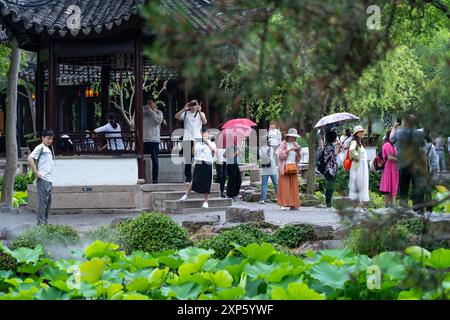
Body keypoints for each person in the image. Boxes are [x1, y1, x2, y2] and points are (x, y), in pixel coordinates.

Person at [390, 115, 426, 210]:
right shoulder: (419, 133)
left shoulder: (399, 132)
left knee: (403, 186)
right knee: (417, 186)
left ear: (405, 122)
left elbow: (391, 139)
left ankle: (403, 208)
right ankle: (418, 209)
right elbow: (422, 150)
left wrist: (394, 127)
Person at [179, 129, 216, 208]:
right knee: (194, 180)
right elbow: (194, 153)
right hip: (199, 162)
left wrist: (207, 143)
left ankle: (206, 202)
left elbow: (213, 151)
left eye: (205, 134)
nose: (203, 136)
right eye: (202, 134)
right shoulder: (198, 143)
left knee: (207, 183)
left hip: (207, 163)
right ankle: (186, 195)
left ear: (208, 135)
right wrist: (194, 144)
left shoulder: (212, 143)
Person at [175, 100, 207, 183]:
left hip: (198, 139)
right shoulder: (186, 113)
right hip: (187, 138)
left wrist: (199, 112)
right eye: (191, 105)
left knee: (199, 159)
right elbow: (176, 116)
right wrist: (184, 109)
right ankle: (188, 177)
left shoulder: (201, 114)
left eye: (195, 105)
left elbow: (205, 122)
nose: (193, 106)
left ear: (197, 106)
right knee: (188, 160)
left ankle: (199, 177)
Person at [27, 129, 55, 225]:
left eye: (51, 139)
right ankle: (40, 225)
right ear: (43, 138)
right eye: (48, 138)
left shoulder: (48, 149)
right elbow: (30, 158)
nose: (50, 141)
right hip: (42, 179)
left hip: (49, 180)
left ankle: (45, 224)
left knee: (48, 203)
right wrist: (36, 173)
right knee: (42, 204)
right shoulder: (40, 147)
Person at [277, 128, 301, 210]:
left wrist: (298, 152)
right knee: (284, 186)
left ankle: (293, 204)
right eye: (292, 136)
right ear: (288, 136)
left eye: (294, 137)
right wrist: (289, 150)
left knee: (293, 186)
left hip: (293, 166)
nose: (293, 138)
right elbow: (280, 155)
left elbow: (298, 158)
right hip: (284, 167)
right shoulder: (283, 144)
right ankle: (283, 204)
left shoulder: (296, 144)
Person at [143, 99, 164, 184]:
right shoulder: (142, 111)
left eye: (151, 103)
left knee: (155, 160)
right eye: (148, 103)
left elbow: (159, 121)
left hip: (154, 140)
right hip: (144, 139)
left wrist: (152, 111)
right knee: (143, 160)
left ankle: (155, 178)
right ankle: (143, 177)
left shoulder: (159, 112)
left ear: (155, 104)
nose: (149, 105)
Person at [348, 125, 370, 206]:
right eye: (360, 131)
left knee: (362, 184)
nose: (362, 133)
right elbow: (351, 149)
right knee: (358, 185)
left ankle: (359, 205)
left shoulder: (361, 143)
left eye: (362, 131)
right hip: (358, 167)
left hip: (363, 167)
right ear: (356, 133)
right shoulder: (354, 142)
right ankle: (356, 206)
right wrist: (357, 156)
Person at [379, 129, 398, 207]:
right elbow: (390, 157)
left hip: (392, 168)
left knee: (391, 187)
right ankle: (387, 206)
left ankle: (391, 206)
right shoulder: (387, 145)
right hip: (389, 168)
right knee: (388, 188)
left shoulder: (391, 145)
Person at [259, 140, 278, 204]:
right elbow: (270, 157)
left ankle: (262, 199)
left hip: (264, 169)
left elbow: (261, 157)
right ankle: (279, 197)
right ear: (267, 142)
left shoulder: (260, 149)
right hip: (272, 168)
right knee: (275, 183)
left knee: (264, 184)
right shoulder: (271, 148)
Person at [323, 130, 339, 208]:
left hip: (329, 169)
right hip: (330, 170)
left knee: (330, 185)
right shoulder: (331, 147)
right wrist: (338, 148)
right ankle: (328, 204)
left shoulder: (327, 146)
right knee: (330, 186)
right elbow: (332, 158)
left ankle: (329, 203)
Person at [213, 133, 227, 198]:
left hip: (225, 160)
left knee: (224, 176)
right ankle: (216, 190)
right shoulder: (218, 136)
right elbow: (217, 150)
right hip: (219, 160)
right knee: (220, 176)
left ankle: (221, 191)